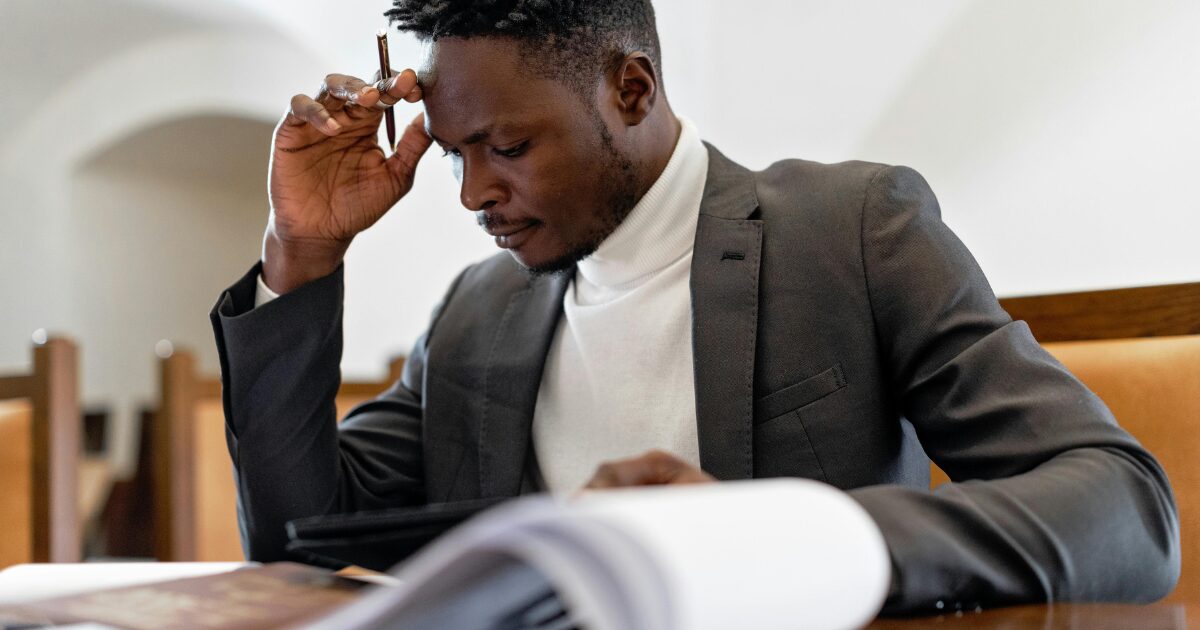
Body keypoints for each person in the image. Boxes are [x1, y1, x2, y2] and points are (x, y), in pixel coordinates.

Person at [210, 0, 1179, 614]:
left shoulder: (849, 232)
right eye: (458, 153)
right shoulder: (475, 312)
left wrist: (796, 539)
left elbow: (1125, 510)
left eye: (506, 147)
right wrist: (304, 250)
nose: (471, 194)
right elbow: (298, 547)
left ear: (631, 89)